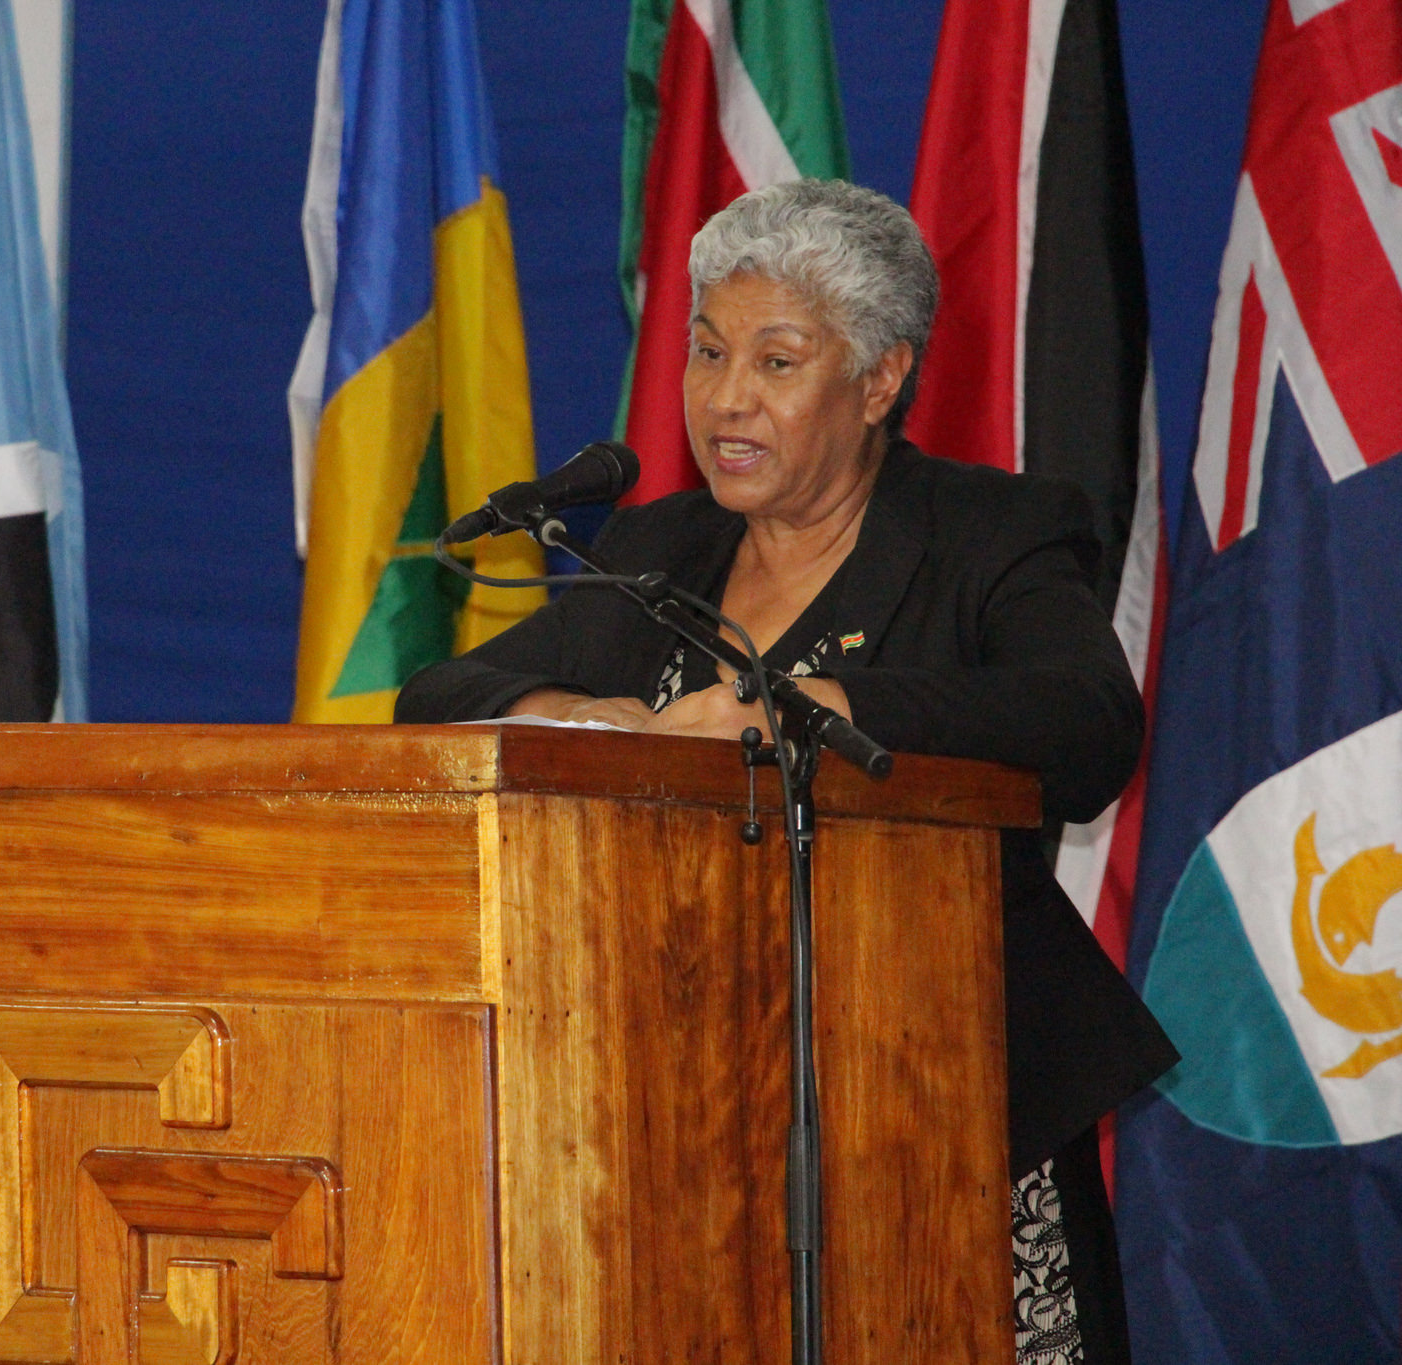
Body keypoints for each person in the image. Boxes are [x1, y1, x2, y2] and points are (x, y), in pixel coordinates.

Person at [395, 178, 1176, 1365]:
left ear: (877, 380)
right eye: (706, 352)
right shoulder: (663, 548)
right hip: (668, 1106)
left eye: (774, 360)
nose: (722, 399)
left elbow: (1081, 724)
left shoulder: (990, 533)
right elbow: (435, 700)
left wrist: (809, 707)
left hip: (937, 1101)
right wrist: (584, 716)